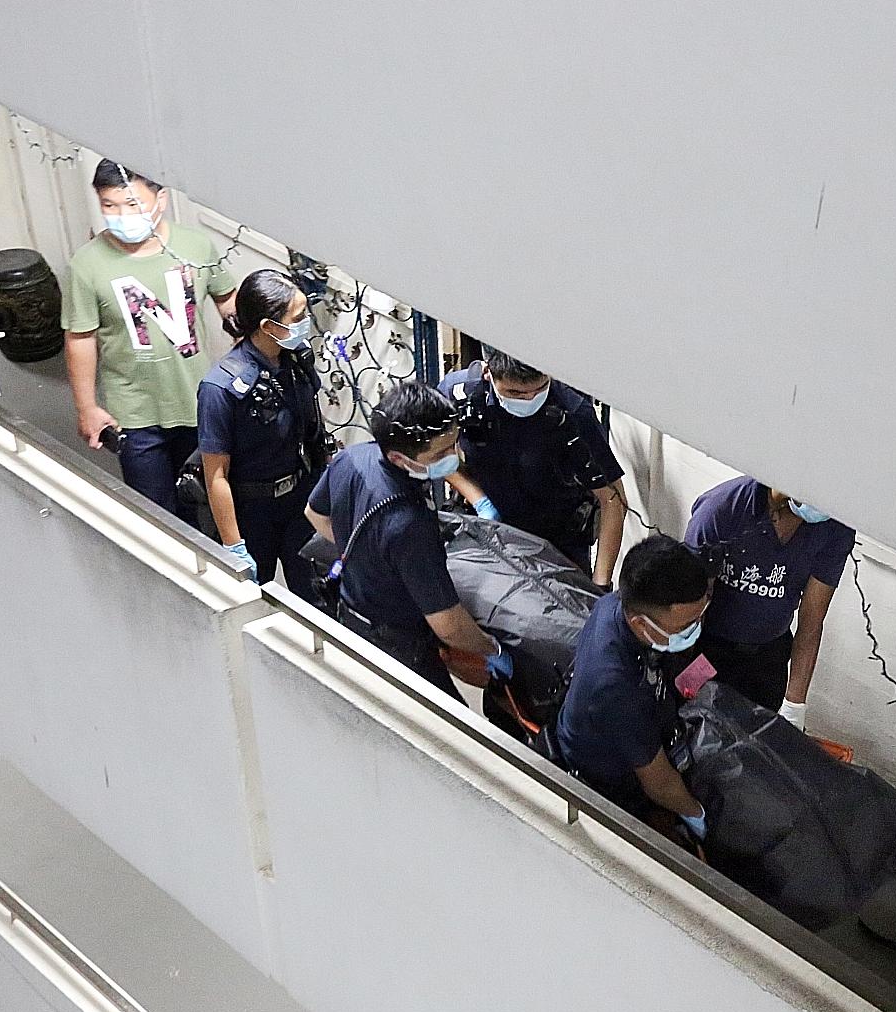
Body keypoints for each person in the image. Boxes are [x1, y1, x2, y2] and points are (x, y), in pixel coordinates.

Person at [305, 382, 512, 701]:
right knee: (448, 735)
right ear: (401, 459)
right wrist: (492, 648)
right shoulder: (410, 524)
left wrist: (364, 558)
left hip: (350, 616)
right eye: (440, 454)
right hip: (398, 646)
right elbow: (449, 626)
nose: (454, 457)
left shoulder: (353, 459)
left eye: (453, 444)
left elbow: (315, 513)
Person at [61, 160, 237, 518]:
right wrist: (87, 408)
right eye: (110, 206)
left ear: (162, 200)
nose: (122, 216)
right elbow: (81, 337)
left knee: (206, 502)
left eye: (133, 205)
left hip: (197, 401)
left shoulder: (196, 247)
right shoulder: (87, 265)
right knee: (156, 511)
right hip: (134, 412)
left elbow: (228, 303)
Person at [554, 536, 711, 837]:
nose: (695, 629)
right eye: (685, 627)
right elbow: (660, 783)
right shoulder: (616, 687)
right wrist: (696, 813)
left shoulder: (616, 604)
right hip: (606, 772)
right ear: (642, 624)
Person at [439, 345, 627, 587]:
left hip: (559, 546)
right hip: (488, 537)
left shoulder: (573, 412)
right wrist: (478, 500)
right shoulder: (461, 394)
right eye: (515, 393)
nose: (529, 399)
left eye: (539, 389)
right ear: (489, 373)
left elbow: (613, 500)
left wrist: (600, 586)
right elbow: (434, 457)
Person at [196, 269, 327, 597]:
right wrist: (233, 546)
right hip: (251, 511)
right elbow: (216, 476)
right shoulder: (220, 389)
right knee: (252, 603)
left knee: (319, 599)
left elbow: (311, 431)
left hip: (299, 498)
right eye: (298, 316)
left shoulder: (294, 362)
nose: (305, 321)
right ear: (269, 327)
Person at [684, 478, 855, 727]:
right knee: (693, 729)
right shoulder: (723, 509)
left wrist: (795, 705)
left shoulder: (835, 528)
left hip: (768, 658)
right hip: (707, 649)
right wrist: (684, 678)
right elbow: (689, 607)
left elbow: (812, 620)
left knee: (757, 745)